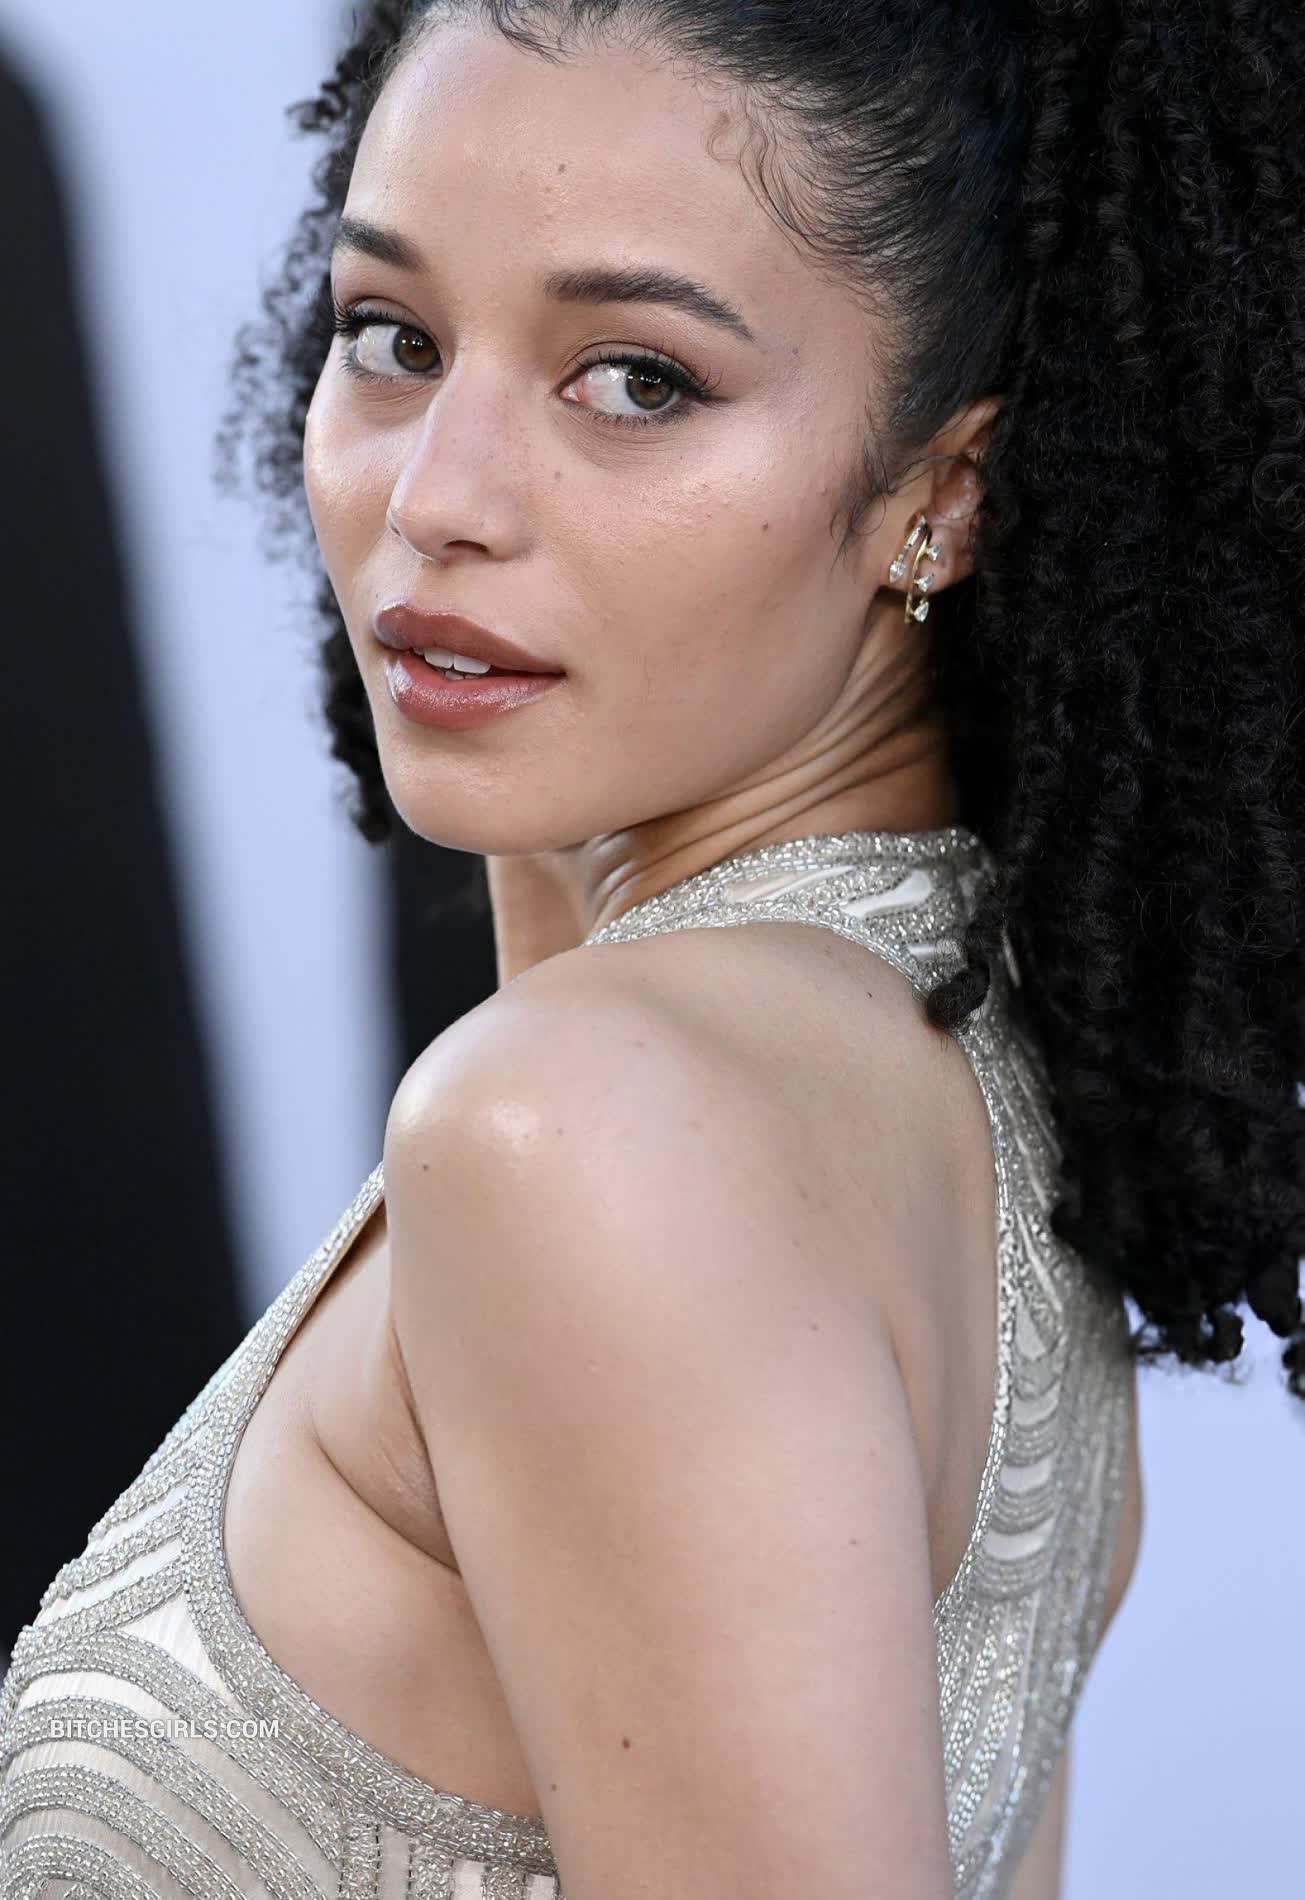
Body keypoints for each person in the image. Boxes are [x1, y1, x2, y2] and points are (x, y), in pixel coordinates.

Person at [2, 3, 1301, 1896]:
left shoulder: (588, 1128)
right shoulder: (945, 1070)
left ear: (946, 492)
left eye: (634, 380)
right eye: (393, 339)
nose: (435, 499)